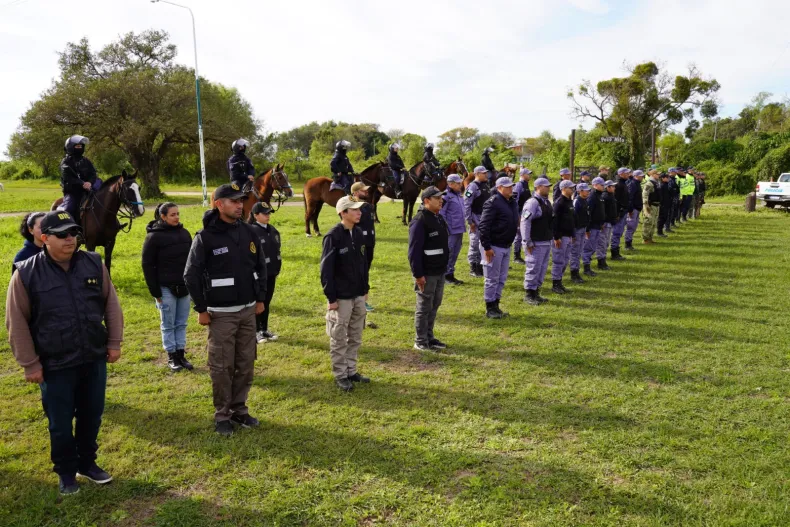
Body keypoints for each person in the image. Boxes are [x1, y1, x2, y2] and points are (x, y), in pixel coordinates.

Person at [6, 211, 123, 495]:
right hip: (54, 362)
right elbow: (16, 321)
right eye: (62, 234)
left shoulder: (93, 263)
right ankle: (66, 472)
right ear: (44, 238)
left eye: (73, 232)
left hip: (93, 356)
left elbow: (111, 304)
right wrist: (29, 363)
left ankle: (87, 463)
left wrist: (114, 342)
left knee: (91, 415)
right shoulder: (25, 272)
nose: (70, 238)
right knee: (59, 423)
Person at [183, 184, 268, 436]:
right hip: (221, 313)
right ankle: (222, 415)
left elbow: (260, 267)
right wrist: (201, 308)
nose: (240, 205)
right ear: (219, 204)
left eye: (241, 201)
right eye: (234, 201)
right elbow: (190, 275)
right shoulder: (206, 237)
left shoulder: (250, 232)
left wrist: (260, 298)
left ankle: (239, 409)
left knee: (246, 363)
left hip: (248, 310)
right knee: (222, 366)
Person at [319, 196, 370, 392]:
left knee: (355, 335)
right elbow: (326, 271)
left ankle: (351, 370)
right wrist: (331, 298)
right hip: (341, 297)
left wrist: (365, 289)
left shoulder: (358, 233)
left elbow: (363, 265)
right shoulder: (333, 236)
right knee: (339, 337)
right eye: (354, 210)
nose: (359, 213)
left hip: (358, 294)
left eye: (359, 209)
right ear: (343, 213)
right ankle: (340, 374)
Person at [141, 202, 193, 372]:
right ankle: (171, 356)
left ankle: (181, 353)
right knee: (168, 323)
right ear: (162, 217)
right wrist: (155, 291)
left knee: (181, 323)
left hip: (184, 287)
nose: (177, 217)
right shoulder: (153, 237)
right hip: (165, 288)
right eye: (172, 214)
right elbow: (147, 265)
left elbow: (192, 262)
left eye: (178, 214)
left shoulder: (185, 234)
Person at [409, 186, 450, 351]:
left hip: (439, 271)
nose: (441, 200)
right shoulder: (420, 220)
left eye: (441, 197)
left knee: (434, 304)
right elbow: (414, 252)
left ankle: (429, 337)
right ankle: (420, 341)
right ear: (426, 201)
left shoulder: (438, 218)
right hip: (427, 273)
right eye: (437, 198)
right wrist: (419, 275)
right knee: (424, 306)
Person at [478, 176, 519, 318]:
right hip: (494, 246)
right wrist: (487, 247)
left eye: (511, 186)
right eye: (507, 187)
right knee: (491, 278)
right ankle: (490, 307)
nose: (511, 189)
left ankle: (496, 304)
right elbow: (483, 226)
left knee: (501, 278)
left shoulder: (512, 201)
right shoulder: (493, 202)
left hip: (506, 245)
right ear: (499, 188)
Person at [248, 202, 282, 344]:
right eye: (264, 213)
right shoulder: (251, 231)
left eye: (269, 213)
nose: (268, 216)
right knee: (258, 302)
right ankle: (255, 331)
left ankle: (264, 329)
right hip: (258, 275)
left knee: (266, 301)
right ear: (256, 216)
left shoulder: (272, 230)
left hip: (271, 272)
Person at [521, 178, 553, 306]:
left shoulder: (546, 202)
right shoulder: (532, 203)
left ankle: (536, 292)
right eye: (546, 186)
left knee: (542, 268)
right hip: (535, 242)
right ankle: (529, 294)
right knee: (533, 267)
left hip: (545, 241)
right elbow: (525, 222)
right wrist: (527, 241)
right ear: (538, 187)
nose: (548, 188)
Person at [59, 135, 98, 222]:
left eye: (81, 146)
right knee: (67, 209)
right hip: (73, 193)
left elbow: (93, 173)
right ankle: (67, 229)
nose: (79, 148)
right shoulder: (65, 162)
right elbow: (68, 177)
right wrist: (82, 183)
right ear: (70, 147)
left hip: (88, 191)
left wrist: (89, 182)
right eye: (77, 146)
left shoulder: (86, 161)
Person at [351, 182, 376, 312]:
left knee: (365, 270)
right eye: (363, 191)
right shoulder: (353, 207)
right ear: (355, 193)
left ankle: (363, 299)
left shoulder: (368, 206)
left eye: (366, 190)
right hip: (360, 243)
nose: (366, 192)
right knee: (359, 271)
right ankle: (359, 300)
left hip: (369, 243)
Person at [464, 166, 490, 278]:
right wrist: (470, 221)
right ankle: (473, 267)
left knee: (482, 243)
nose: (486, 175)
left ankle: (479, 265)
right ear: (477, 174)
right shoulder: (472, 187)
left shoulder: (485, 185)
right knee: (475, 243)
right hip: (476, 218)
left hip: (485, 219)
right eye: (484, 173)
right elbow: (467, 204)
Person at [439, 174, 466, 285]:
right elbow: (442, 213)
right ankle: (445, 276)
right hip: (450, 230)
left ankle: (450, 273)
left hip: (459, 229)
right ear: (450, 184)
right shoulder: (446, 196)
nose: (461, 185)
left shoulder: (459, 196)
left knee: (455, 253)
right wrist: (446, 229)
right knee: (449, 253)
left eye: (460, 182)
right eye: (458, 183)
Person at [551, 180, 576, 294]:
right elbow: (554, 221)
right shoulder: (559, 203)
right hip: (560, 237)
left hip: (568, 236)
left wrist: (572, 234)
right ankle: (555, 283)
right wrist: (556, 237)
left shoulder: (569, 201)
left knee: (565, 260)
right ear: (564, 188)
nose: (572, 190)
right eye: (570, 188)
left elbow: (571, 220)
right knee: (558, 260)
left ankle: (560, 281)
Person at [583, 177, 607, 275]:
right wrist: (587, 229)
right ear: (595, 185)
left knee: (593, 247)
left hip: (597, 225)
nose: (603, 187)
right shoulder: (592, 196)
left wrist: (601, 223)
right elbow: (588, 214)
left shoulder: (599, 196)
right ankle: (586, 268)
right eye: (602, 185)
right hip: (592, 226)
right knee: (588, 247)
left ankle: (588, 266)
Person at [570, 182, 591, 284]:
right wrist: (573, 233)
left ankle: (577, 271)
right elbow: (573, 218)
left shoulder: (585, 201)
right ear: (580, 191)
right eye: (586, 190)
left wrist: (587, 229)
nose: (588, 192)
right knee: (575, 252)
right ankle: (574, 273)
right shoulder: (577, 202)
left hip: (583, 228)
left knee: (579, 251)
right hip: (577, 230)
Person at [512, 168, 533, 264]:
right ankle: (516, 255)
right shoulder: (518, 185)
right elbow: (515, 201)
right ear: (523, 174)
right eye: (528, 174)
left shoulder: (526, 185)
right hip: (520, 213)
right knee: (519, 235)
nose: (529, 176)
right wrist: (517, 216)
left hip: (526, 213)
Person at [610, 167, 630, 261]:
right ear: (621, 174)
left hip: (623, 211)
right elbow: (616, 201)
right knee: (616, 233)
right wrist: (617, 213)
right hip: (619, 212)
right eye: (626, 173)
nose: (628, 175)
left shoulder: (624, 183)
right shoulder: (618, 185)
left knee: (619, 232)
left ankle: (616, 251)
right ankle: (614, 253)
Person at [597, 180, 618, 269]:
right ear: (607, 187)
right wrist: (603, 221)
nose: (614, 188)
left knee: (606, 242)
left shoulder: (611, 195)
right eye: (612, 186)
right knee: (602, 242)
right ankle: (601, 261)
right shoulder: (605, 196)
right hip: (605, 223)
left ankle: (603, 259)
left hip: (610, 222)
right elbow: (602, 211)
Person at [624, 170, 644, 251]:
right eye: (641, 176)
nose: (642, 177)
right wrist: (630, 209)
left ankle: (630, 243)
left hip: (637, 208)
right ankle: (627, 244)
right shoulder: (632, 184)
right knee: (630, 227)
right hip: (633, 209)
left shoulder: (637, 184)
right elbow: (630, 198)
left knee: (634, 227)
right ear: (636, 176)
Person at [642, 170, 661, 244]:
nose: (658, 175)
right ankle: (645, 238)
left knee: (653, 222)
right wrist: (646, 206)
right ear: (653, 175)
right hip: (650, 205)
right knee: (648, 222)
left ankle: (650, 237)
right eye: (657, 174)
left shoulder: (656, 183)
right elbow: (645, 195)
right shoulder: (649, 183)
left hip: (656, 205)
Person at [658, 172, 672, 237]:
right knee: (662, 218)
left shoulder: (666, 184)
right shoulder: (661, 185)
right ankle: (659, 232)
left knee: (665, 217)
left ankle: (661, 231)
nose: (668, 178)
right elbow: (660, 196)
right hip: (663, 205)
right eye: (667, 177)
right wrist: (662, 204)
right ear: (663, 178)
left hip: (667, 203)